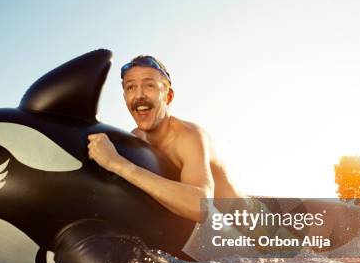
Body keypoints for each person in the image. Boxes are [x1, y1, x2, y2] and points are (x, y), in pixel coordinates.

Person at [87, 55, 243, 224]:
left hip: (252, 224)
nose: (139, 95)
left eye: (149, 86)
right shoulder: (135, 138)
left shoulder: (189, 136)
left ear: (168, 96)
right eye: (130, 87)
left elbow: (202, 207)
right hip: (211, 235)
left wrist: (118, 164)